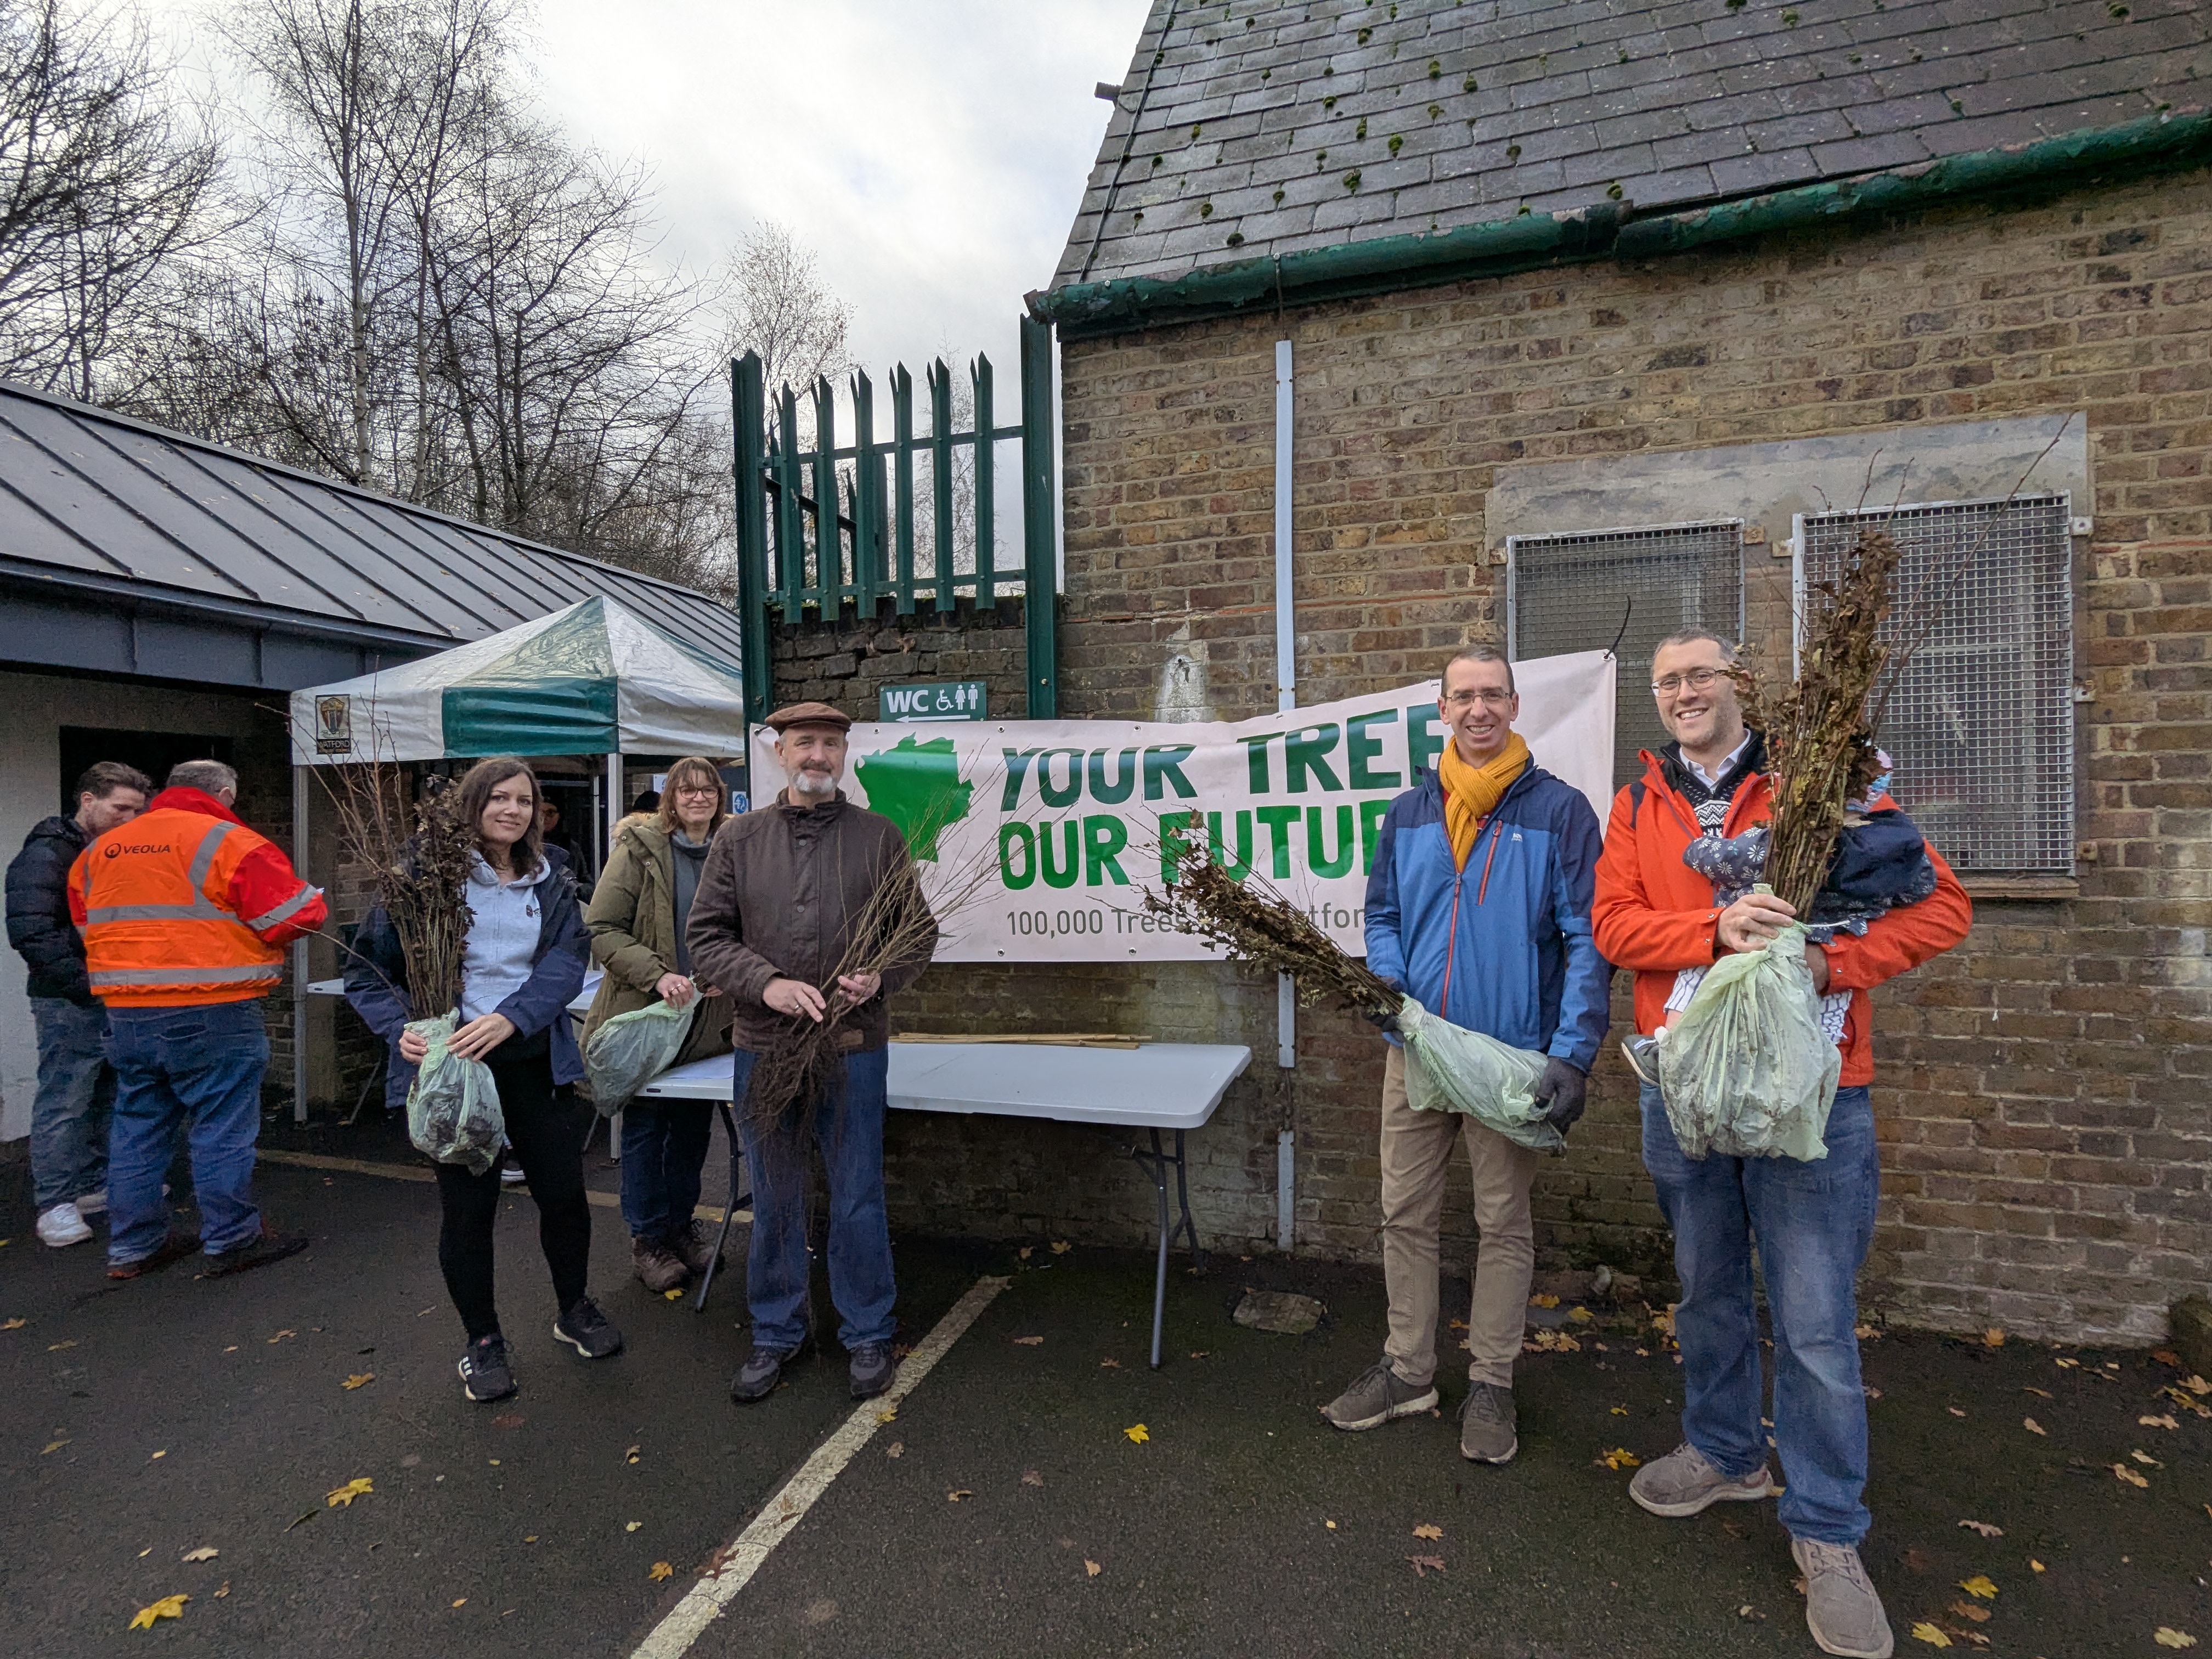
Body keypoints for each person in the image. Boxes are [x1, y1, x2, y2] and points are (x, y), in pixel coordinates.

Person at [1593, 630, 1971, 1659]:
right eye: (1667, 679)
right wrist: (1710, 932)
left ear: (1735, 684)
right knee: (1705, 1284)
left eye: (1699, 674)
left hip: (1813, 1094)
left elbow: (1941, 905)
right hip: (1689, 1086)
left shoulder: (1825, 784)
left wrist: (1824, 964)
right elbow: (1614, 924)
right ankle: (1724, 1450)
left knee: (1812, 1320)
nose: (1682, 692)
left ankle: (1826, 1531)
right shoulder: (1637, 805)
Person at [1322, 645, 1609, 1463]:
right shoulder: (1410, 812)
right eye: (1463, 697)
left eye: (1493, 695)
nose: (1478, 710)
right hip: (1414, 1050)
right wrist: (1389, 992)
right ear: (1441, 711)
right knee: (1403, 1214)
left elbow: (1587, 940)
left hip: (1507, 1057)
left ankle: (1492, 1382)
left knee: (1501, 1223)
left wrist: (1573, 1052)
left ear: (1515, 707)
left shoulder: (1560, 813)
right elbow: (1380, 915)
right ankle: (1409, 1370)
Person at [346, 757, 619, 1402]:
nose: (512, 810)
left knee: (564, 1196)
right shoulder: (422, 877)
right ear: (472, 804)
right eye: (499, 798)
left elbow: (565, 962)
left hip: (531, 1062)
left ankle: (574, 1308)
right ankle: (483, 1341)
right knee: (469, 1213)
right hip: (457, 1073)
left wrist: (513, 1018)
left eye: (524, 800)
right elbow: (368, 972)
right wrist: (399, 1030)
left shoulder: (551, 875)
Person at [686, 701, 936, 1405]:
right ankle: (775, 1331)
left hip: (852, 1047)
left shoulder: (879, 838)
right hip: (765, 1048)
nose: (817, 756)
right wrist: (766, 985)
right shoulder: (739, 839)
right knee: (775, 1194)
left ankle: (868, 1332)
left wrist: (880, 976)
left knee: (857, 1195)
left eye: (830, 744)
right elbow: (706, 937)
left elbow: (916, 935)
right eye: (804, 744)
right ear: (779, 752)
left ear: (844, 754)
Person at [69, 759, 324, 1280]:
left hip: (127, 1014)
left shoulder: (98, 852)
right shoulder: (230, 841)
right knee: (220, 1127)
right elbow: (297, 916)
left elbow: (85, 924)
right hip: (213, 1010)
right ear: (225, 793)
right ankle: (231, 1239)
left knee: (138, 1125)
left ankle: (134, 1246)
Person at [583, 754, 736, 1292]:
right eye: (687, 790)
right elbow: (601, 928)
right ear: (670, 798)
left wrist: (728, 970)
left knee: (692, 1131)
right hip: (647, 1017)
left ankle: (680, 1227)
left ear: (720, 797)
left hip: (705, 1022)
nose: (698, 798)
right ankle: (648, 1240)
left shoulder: (731, 850)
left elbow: (746, 924)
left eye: (707, 790)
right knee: (648, 1130)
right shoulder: (640, 850)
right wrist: (657, 975)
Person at [8, 761, 150, 1247]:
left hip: (106, 991)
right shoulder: (48, 854)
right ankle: (56, 1203)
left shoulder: (101, 851)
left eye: (137, 810)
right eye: (120, 808)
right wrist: (89, 984)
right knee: (66, 1099)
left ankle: (91, 1185)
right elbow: (31, 931)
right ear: (88, 801)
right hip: (72, 997)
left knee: (105, 1092)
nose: (130, 819)